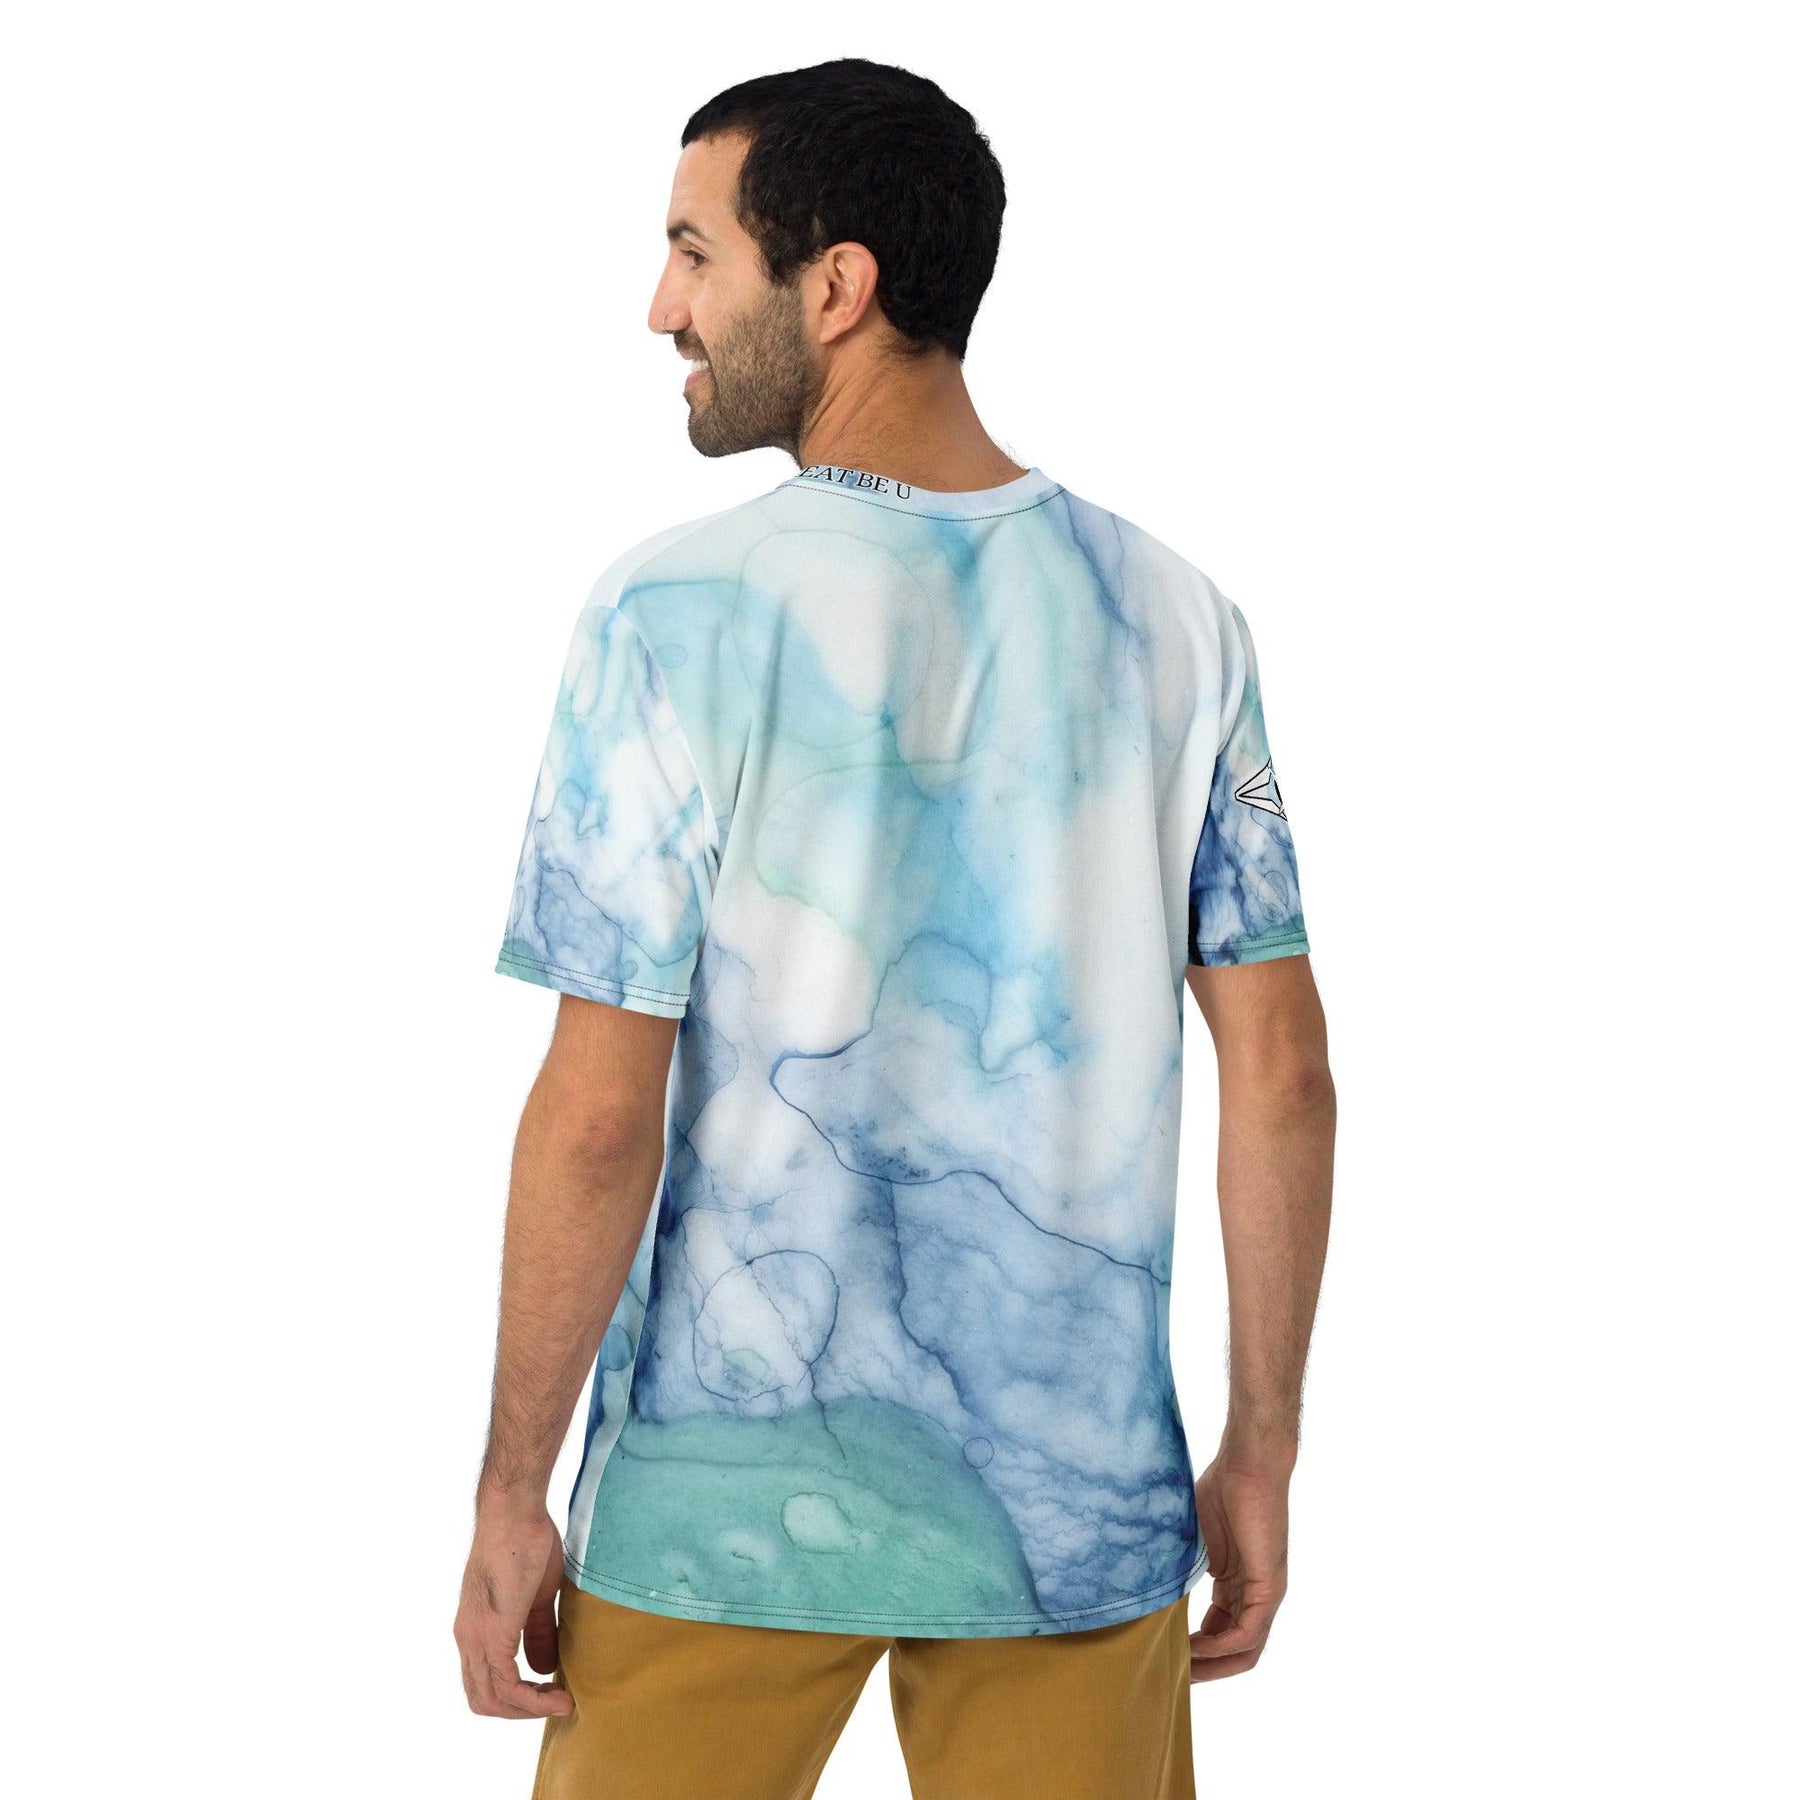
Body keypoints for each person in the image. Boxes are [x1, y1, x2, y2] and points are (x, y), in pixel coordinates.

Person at [454, 56, 1336, 1800]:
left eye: (695, 254)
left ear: (835, 285)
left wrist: (508, 1485)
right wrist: (1261, 1447)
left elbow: (599, 1114)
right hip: (1073, 1514)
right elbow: (1287, 1076)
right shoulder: (1177, 619)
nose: (661, 309)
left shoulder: (672, 613)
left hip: (712, 1511)